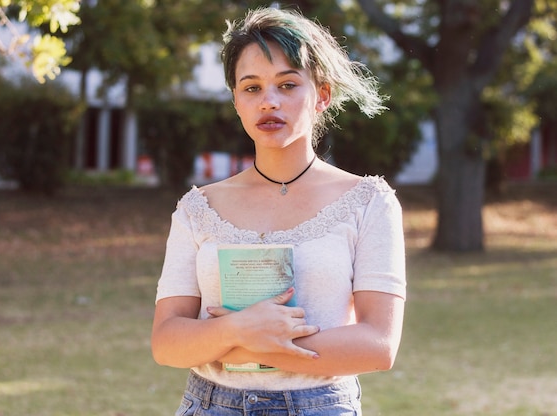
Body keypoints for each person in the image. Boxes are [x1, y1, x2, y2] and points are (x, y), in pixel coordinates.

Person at [151, 6, 406, 416]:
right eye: (251, 88)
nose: (268, 102)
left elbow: (378, 346)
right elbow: (166, 343)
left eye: (287, 85)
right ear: (236, 100)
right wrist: (237, 328)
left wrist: (245, 342)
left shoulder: (368, 202)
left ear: (321, 95)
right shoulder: (197, 208)